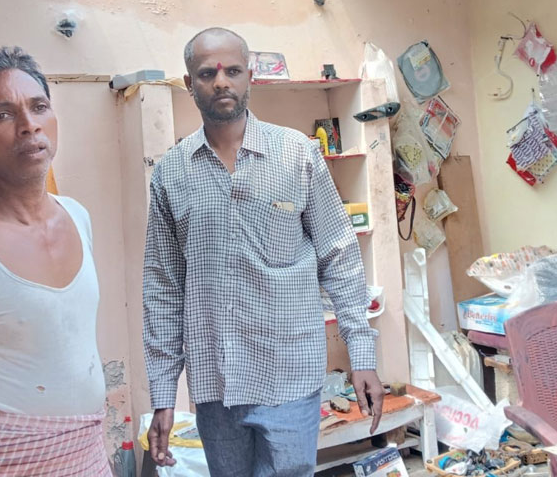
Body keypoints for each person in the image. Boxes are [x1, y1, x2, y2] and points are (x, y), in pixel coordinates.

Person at [143, 28, 384, 475]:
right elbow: (162, 288)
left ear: (249, 76)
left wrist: (362, 356)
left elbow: (340, 256)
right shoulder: (170, 175)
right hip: (216, 385)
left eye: (232, 71)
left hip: (290, 376)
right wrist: (162, 394)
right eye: (207, 73)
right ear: (188, 82)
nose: (221, 82)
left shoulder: (297, 154)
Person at [0, 46, 109, 476]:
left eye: (39, 107)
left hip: (85, 454)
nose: (28, 124)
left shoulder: (78, 215)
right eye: (1, 114)